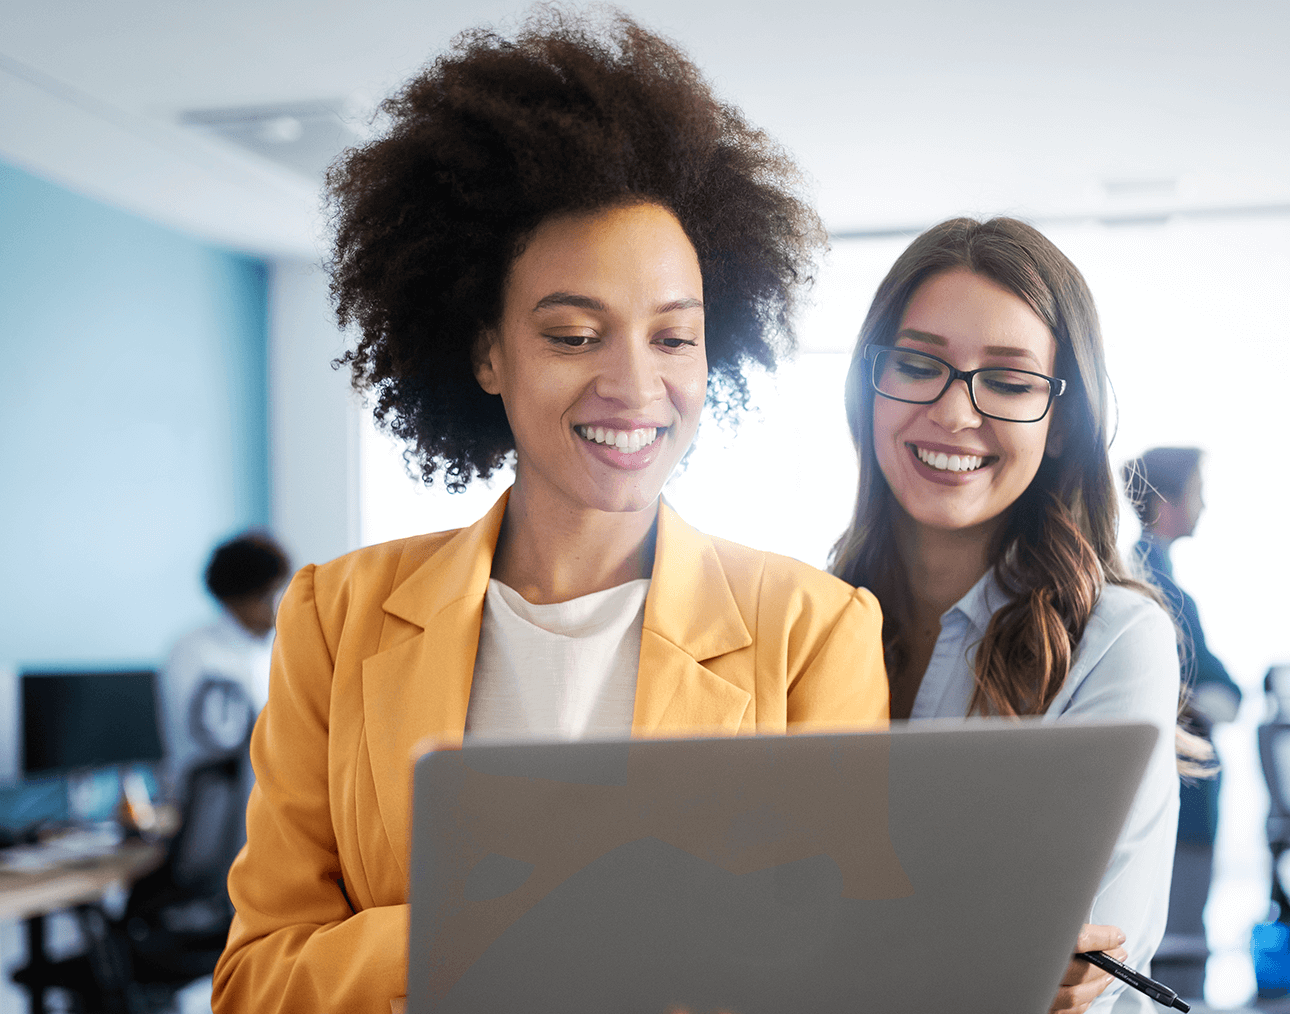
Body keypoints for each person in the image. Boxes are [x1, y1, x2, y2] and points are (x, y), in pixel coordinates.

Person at [212, 12, 887, 1013]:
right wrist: (490, 933)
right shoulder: (335, 618)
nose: (633, 384)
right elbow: (254, 981)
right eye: (574, 335)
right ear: (486, 353)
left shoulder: (812, 631)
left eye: (673, 338)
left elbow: (841, 972)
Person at [831, 217, 1194, 1013]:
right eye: (919, 364)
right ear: (872, 382)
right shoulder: (805, 619)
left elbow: (1084, 979)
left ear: (1062, 420)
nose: (955, 414)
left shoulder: (1116, 641)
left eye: (1009, 380)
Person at [1124, 447, 1241, 997]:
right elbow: (1223, 695)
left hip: (1172, 803)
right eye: (1197, 492)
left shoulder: (1145, 574)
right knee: (1177, 959)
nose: (1206, 504)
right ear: (1167, 504)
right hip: (1182, 808)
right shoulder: (1158, 589)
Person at [159, 531, 290, 803]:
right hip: (216, 804)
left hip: (270, 799)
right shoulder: (194, 651)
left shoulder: (276, 649)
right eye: (268, 596)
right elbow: (213, 740)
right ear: (237, 599)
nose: (279, 605)